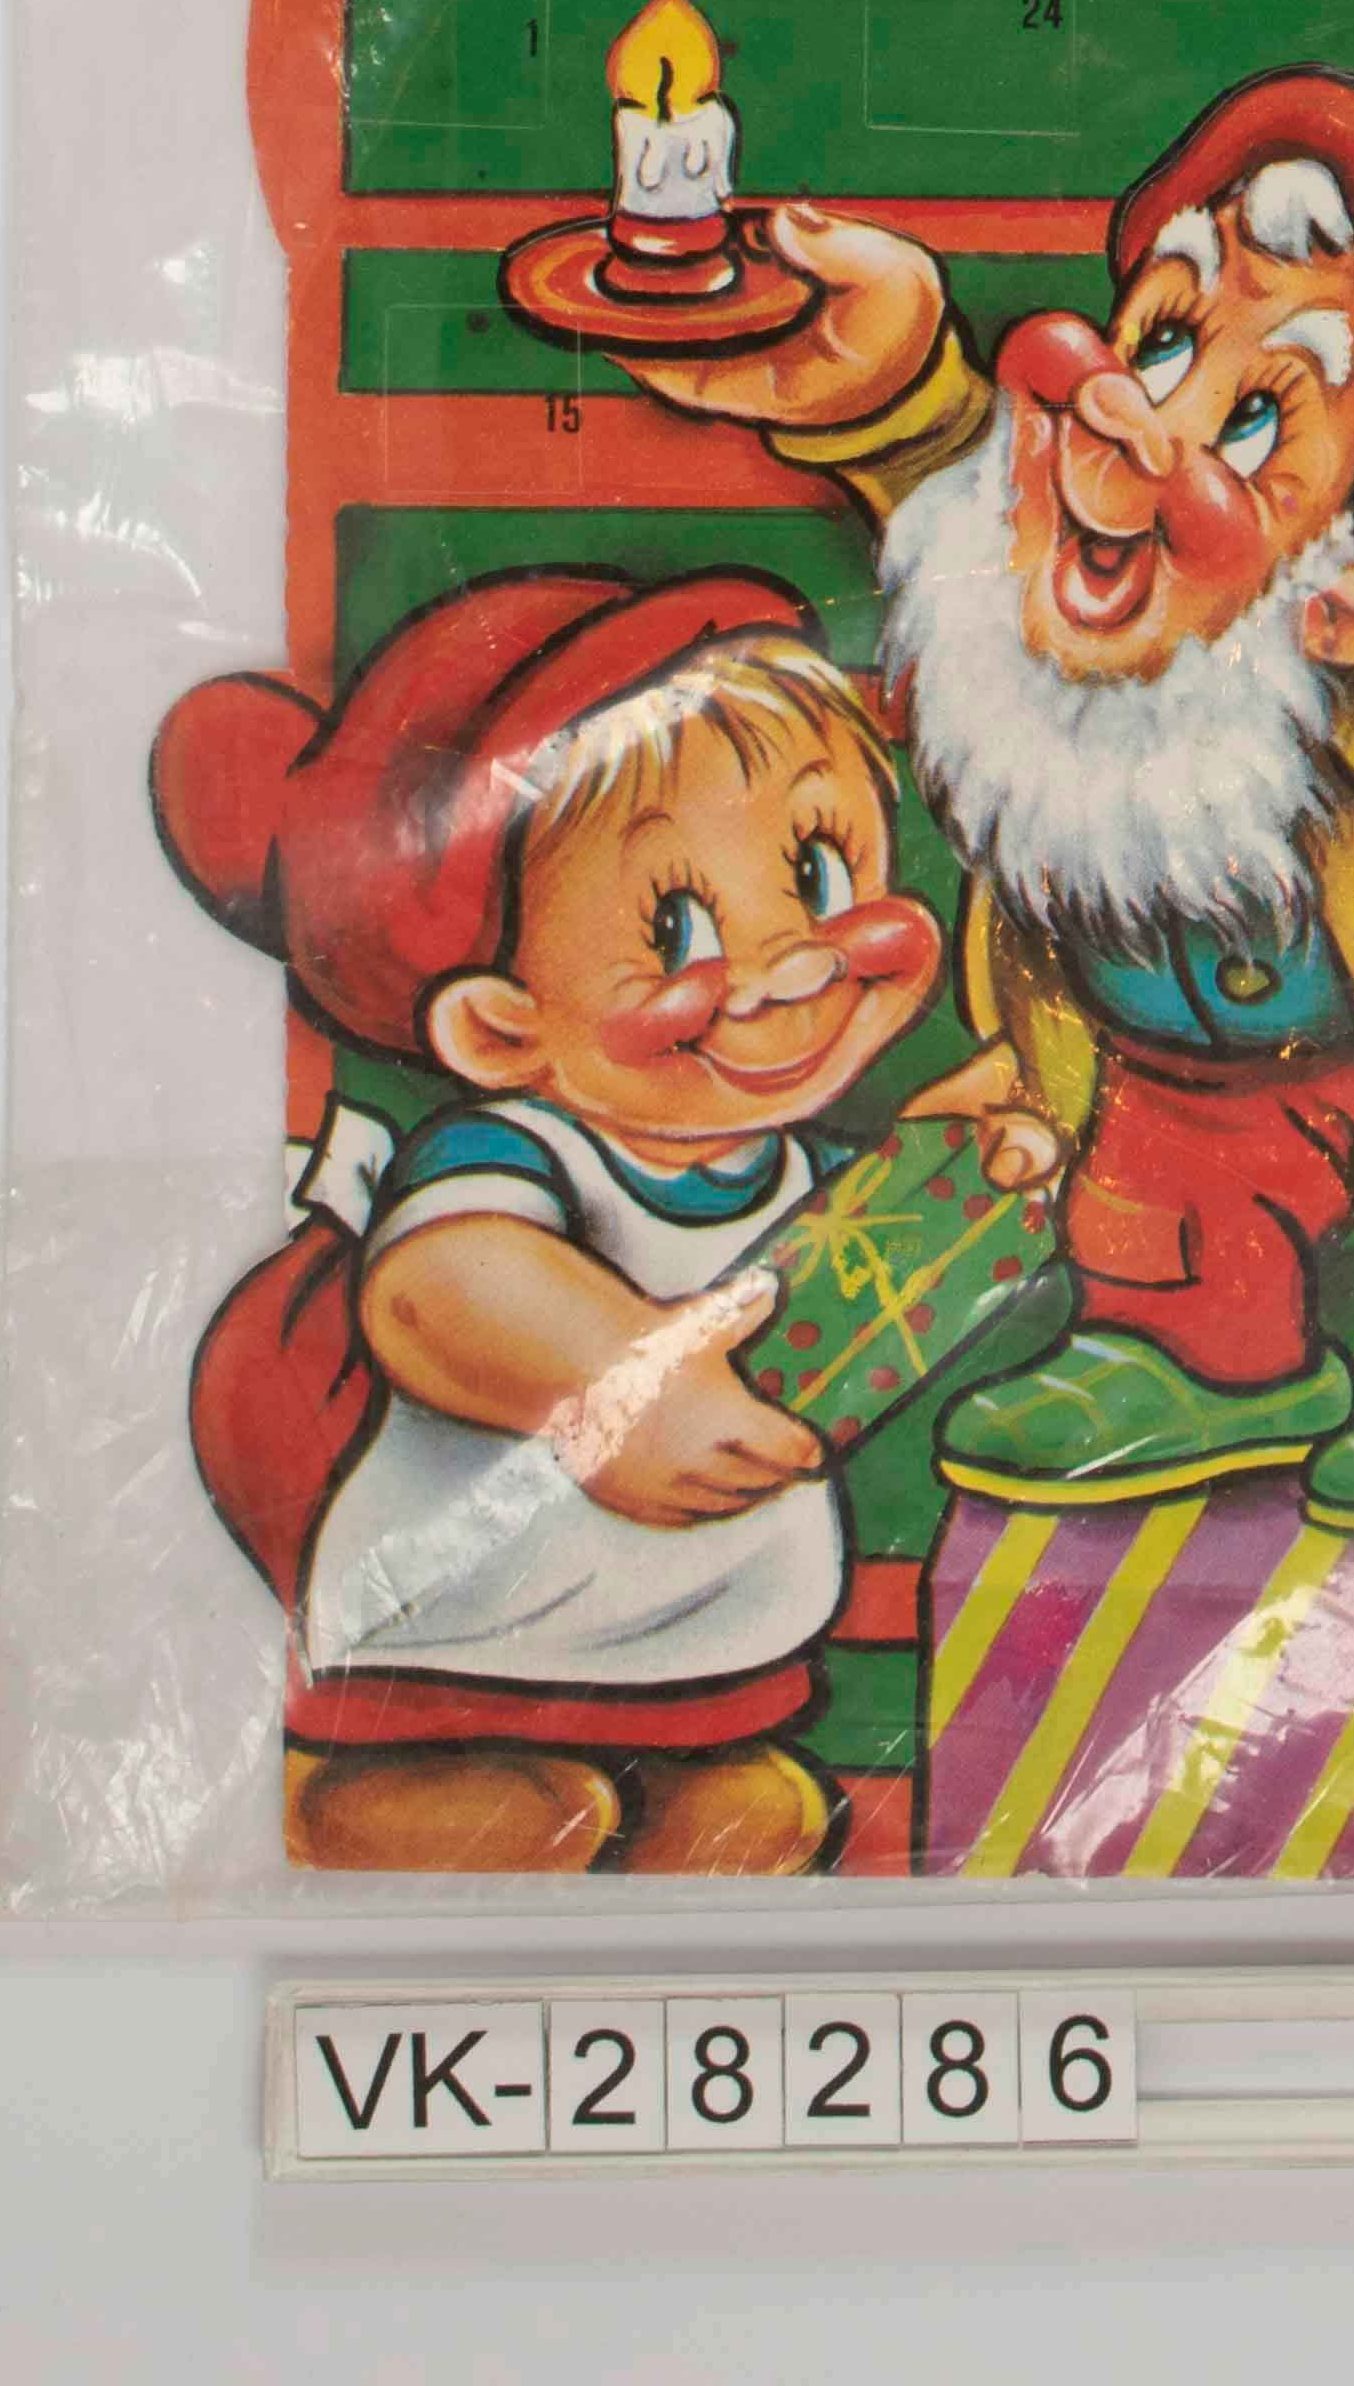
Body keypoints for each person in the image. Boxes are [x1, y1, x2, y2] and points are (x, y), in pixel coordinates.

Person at [612, 71, 1354, 1524]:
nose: (1144, 425)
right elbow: (970, 516)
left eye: (1258, 417)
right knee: (1163, 1199)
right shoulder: (1051, 612)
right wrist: (894, 393)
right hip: (1174, 1068)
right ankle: (1210, 1359)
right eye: (1159, 341)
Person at [150, 573, 951, 1876]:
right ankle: (348, 1793)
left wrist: (966, 1155)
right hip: (478, 1634)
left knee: (758, 1820)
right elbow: (439, 1287)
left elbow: (871, 1258)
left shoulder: (786, 1160)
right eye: (680, 928)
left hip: (701, 1650)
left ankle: (666, 1790)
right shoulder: (518, 1155)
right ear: (501, 1029)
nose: (794, 963)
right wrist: (618, 1381)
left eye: (817, 873)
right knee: (528, 1817)